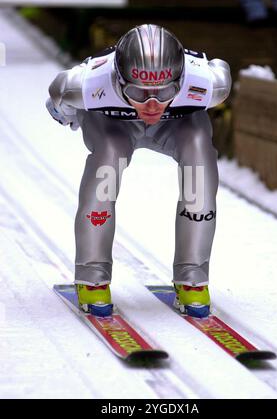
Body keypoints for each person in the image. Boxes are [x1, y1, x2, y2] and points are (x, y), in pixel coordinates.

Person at [46, 24, 231, 318]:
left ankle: (192, 276)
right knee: (108, 160)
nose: (152, 105)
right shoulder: (86, 83)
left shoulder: (208, 84)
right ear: (117, 80)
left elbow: (221, 70)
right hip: (113, 125)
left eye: (165, 90)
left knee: (199, 156)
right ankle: (92, 274)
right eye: (138, 92)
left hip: (178, 124)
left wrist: (65, 114)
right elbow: (59, 96)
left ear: (181, 80)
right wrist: (68, 115)